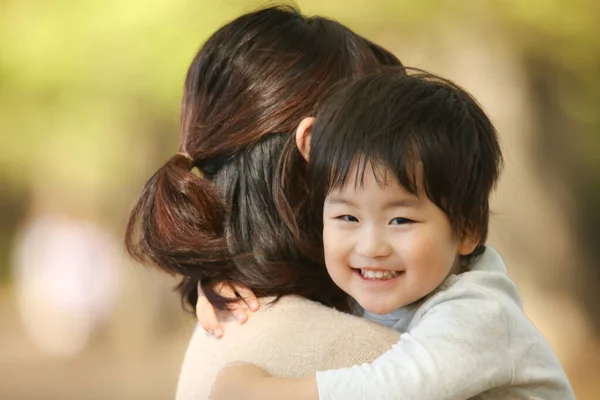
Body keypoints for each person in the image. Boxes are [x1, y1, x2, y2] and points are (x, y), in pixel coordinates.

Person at [209, 70, 575, 399]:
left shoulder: (480, 311)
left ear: (467, 229)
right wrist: (214, 286)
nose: (371, 247)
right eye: (347, 217)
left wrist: (259, 392)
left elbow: (397, 388)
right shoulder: (381, 281)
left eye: (400, 221)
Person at [124, 5, 410, 400]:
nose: (406, 163)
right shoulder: (383, 364)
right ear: (315, 146)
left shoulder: (226, 325)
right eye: (385, 140)